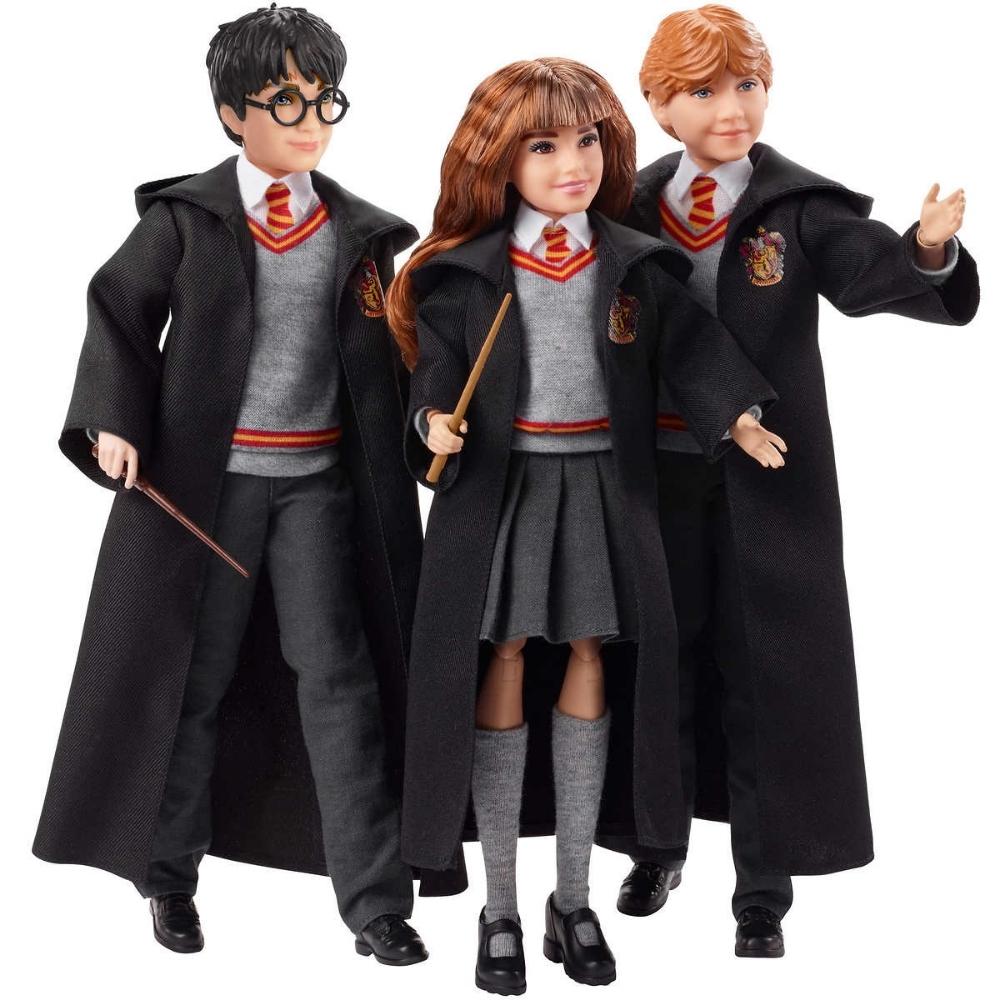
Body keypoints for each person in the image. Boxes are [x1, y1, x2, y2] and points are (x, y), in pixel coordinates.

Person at [33, 4, 428, 964]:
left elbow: (393, 357)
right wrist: (114, 420)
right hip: (206, 493)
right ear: (231, 113)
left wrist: (429, 424)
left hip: (319, 488)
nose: (309, 119)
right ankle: (167, 876)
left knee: (341, 682)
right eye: (284, 100)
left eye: (324, 99)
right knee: (189, 675)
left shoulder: (358, 233)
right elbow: (118, 309)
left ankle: (375, 901)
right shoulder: (189, 222)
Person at [386, 57, 783, 994]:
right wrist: (431, 421)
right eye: (544, 147)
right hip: (505, 491)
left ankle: (573, 898)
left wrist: (735, 414)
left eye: (587, 142)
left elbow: (692, 348)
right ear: (499, 161)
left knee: (594, 657)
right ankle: (499, 908)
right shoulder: (464, 275)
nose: (573, 165)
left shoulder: (632, 264)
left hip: (607, 486)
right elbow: (435, 373)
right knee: (504, 654)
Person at [612, 3, 979, 958]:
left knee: (764, 673)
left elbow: (866, 272)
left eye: (748, 85)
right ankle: (655, 847)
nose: (731, 108)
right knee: (658, 662)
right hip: (653, 473)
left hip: (766, 481)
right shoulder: (626, 203)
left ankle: (762, 889)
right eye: (703, 91)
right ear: (658, 104)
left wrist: (925, 249)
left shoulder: (795, 206)